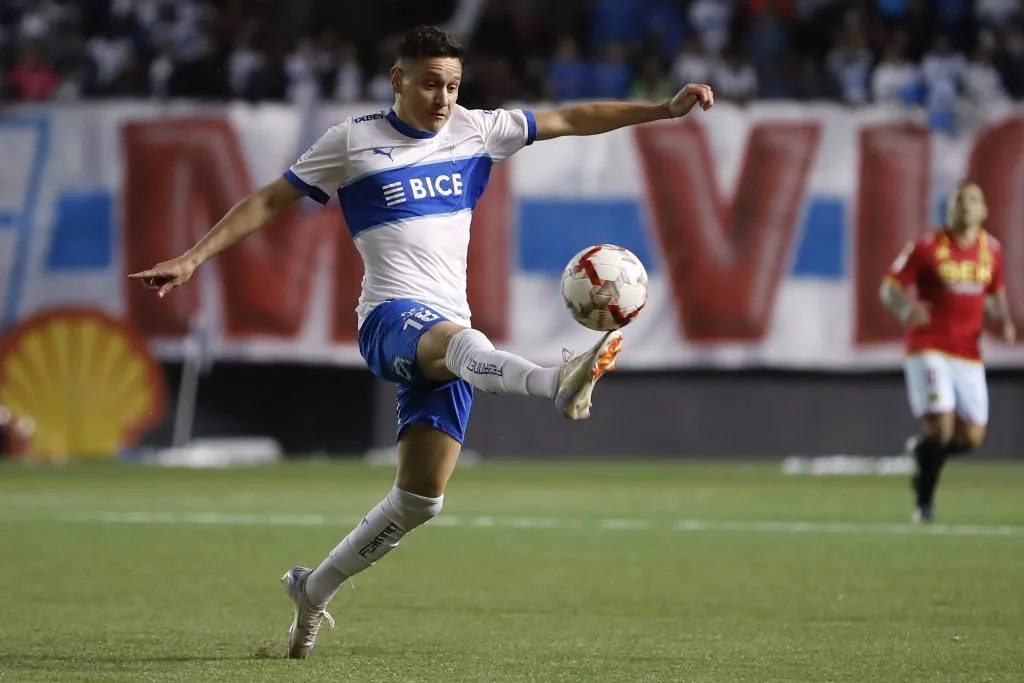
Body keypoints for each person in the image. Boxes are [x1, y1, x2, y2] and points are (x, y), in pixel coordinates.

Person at [129, 25, 714, 658]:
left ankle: (313, 590)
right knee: (464, 342)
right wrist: (192, 259)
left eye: (454, 85)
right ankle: (555, 381)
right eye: (431, 83)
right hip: (389, 319)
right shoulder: (353, 141)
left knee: (420, 501)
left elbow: (572, 116)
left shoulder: (475, 129)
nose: (443, 98)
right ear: (398, 80)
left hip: (449, 335)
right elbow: (270, 199)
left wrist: (664, 109)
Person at [880, 181, 1015, 524]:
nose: (965, 206)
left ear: (984, 210)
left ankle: (924, 454)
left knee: (971, 437)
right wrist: (903, 310)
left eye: (972, 200)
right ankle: (924, 502)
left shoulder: (993, 251)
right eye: (959, 201)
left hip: (968, 351)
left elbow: (995, 291)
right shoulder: (926, 247)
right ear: (948, 209)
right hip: (929, 345)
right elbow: (889, 288)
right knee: (941, 426)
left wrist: (1007, 320)